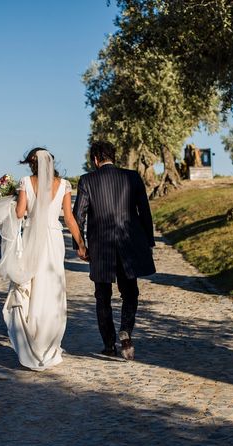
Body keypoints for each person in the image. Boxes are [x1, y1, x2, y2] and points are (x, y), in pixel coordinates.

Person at [0, 148, 86, 371]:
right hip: (54, 239)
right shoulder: (65, 185)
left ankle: (31, 341)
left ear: (32, 164)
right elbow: (69, 218)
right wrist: (81, 243)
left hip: (32, 238)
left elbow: (20, 213)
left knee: (32, 285)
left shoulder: (26, 182)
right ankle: (49, 345)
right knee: (52, 287)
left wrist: (12, 199)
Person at [72, 141, 156, 360]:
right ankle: (126, 329)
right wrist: (148, 241)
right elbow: (144, 212)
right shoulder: (132, 177)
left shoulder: (87, 181)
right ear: (113, 157)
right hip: (129, 243)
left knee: (103, 296)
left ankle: (109, 345)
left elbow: (78, 216)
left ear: (95, 159)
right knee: (130, 293)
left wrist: (79, 245)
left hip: (101, 247)